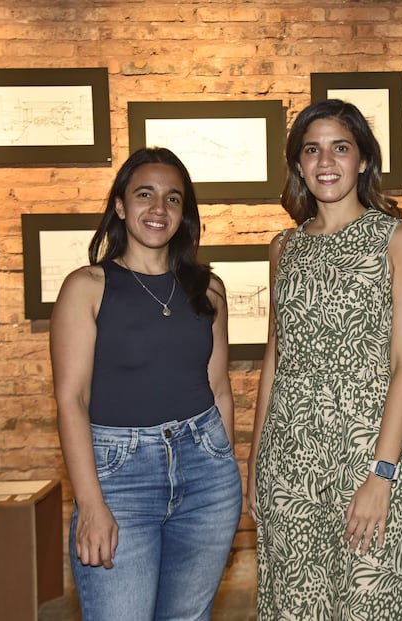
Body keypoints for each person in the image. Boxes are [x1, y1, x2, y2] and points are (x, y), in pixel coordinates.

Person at [247, 99, 402, 619]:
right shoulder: (284, 247)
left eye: (340, 148)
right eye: (312, 150)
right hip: (291, 455)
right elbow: (275, 356)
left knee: (373, 600)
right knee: (297, 603)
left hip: (368, 449)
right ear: (299, 166)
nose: (326, 161)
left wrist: (382, 474)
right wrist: (257, 461)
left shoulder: (400, 240)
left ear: (364, 161)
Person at [51, 147, 242, 621]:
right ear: (120, 205)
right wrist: (90, 505)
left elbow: (219, 389)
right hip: (118, 479)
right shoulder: (87, 287)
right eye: (145, 194)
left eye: (173, 199)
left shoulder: (208, 289)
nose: (159, 208)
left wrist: (228, 471)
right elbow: (71, 401)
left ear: (184, 213)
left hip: (206, 476)